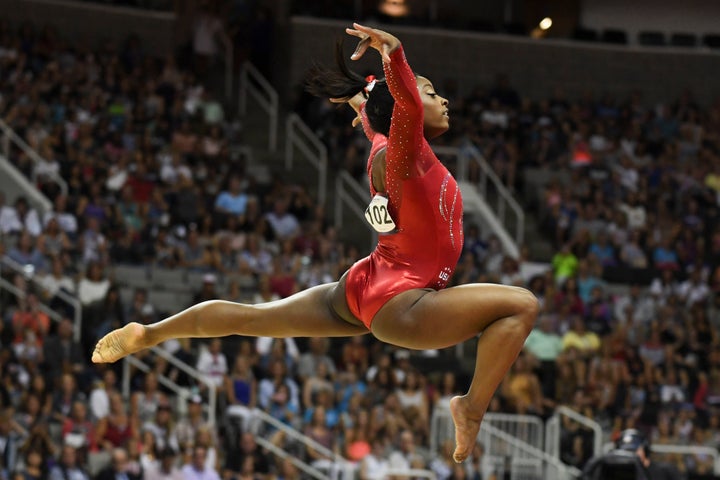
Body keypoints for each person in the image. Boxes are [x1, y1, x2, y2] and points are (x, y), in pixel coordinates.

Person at [91, 23, 538, 463]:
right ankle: (472, 408)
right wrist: (395, 54)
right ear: (406, 109)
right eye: (429, 90)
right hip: (403, 302)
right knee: (521, 305)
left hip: (363, 285)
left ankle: (149, 333)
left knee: (252, 318)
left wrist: (362, 101)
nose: (442, 98)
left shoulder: (387, 146)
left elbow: (377, 114)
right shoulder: (403, 154)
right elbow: (400, 106)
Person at [581, 428, 683, 480]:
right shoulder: (608, 471)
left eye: (633, 451)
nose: (629, 456)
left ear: (645, 450)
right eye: (625, 452)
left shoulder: (665, 471)